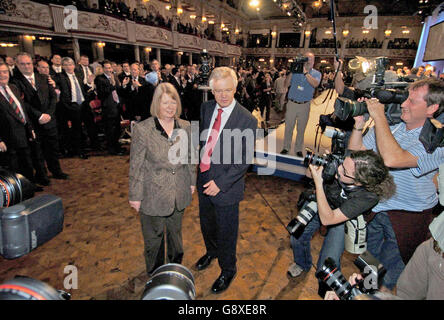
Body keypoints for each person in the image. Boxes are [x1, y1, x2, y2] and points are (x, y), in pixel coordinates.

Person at [348, 78, 444, 291]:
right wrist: (359, 125)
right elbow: (357, 152)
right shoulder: (395, 128)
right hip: (378, 209)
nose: (403, 104)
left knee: (388, 278)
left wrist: (379, 116)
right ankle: (367, 293)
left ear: (432, 108)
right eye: (405, 98)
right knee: (369, 270)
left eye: (412, 101)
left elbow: (393, 159)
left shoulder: (435, 142)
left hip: (407, 218)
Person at [288, 150, 395, 298]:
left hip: (342, 218)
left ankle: (330, 294)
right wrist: (317, 168)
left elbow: (328, 219)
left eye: (344, 171)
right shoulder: (345, 162)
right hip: (322, 201)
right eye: (342, 163)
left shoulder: (369, 197)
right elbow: (308, 175)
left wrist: (319, 183)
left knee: (326, 266)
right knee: (296, 235)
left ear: (360, 182)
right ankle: (302, 263)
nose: (339, 169)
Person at [195, 67, 257, 294]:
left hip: (226, 186)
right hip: (204, 178)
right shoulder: (206, 108)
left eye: (228, 90)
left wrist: (220, 183)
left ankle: (228, 269)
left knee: (226, 230)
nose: (223, 96)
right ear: (211, 90)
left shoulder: (247, 119)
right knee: (207, 223)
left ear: (236, 88)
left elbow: (244, 160)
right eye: (218, 91)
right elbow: (204, 143)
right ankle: (211, 252)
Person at [128, 82, 197, 275]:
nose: (170, 106)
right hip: (152, 193)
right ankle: (156, 275)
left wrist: (192, 181)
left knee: (176, 238)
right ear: (156, 104)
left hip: (179, 191)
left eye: (173, 102)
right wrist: (135, 195)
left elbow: (192, 157)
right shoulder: (143, 130)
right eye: (165, 102)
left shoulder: (186, 126)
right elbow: (136, 165)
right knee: (154, 240)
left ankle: (174, 271)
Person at [11, 52, 68, 182]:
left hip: (50, 119)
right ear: (17, 65)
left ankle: (56, 171)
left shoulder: (43, 77)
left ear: (33, 64)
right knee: (37, 151)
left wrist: (49, 113)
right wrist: (39, 115)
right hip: (33, 122)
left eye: (28, 63)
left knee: (53, 148)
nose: (26, 66)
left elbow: (53, 97)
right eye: (23, 64)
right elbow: (22, 103)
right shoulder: (15, 82)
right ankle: (42, 176)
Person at [0, 62, 37, 185]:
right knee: (14, 166)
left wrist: (30, 128)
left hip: (23, 133)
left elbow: (22, 110)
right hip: (7, 138)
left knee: (27, 162)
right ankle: (19, 190)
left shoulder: (13, 87)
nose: (2, 75)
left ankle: (30, 185)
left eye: (5, 72)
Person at [281, 52, 321, 156]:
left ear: (313, 61)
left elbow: (315, 84)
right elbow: (286, 84)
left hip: (305, 105)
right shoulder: (296, 72)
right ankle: (286, 147)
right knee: (289, 126)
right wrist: (291, 71)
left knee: (301, 128)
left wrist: (305, 73)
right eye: (306, 59)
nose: (308, 61)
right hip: (292, 103)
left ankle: (298, 148)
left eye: (310, 60)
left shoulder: (316, 73)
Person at [94, 60, 126, 156]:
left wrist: (122, 85)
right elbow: (102, 94)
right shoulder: (100, 79)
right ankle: (112, 149)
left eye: (110, 68)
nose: (109, 70)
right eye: (107, 68)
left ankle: (117, 146)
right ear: (103, 69)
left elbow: (118, 91)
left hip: (116, 106)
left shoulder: (114, 77)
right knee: (110, 130)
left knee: (117, 129)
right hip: (108, 108)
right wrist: (112, 85)